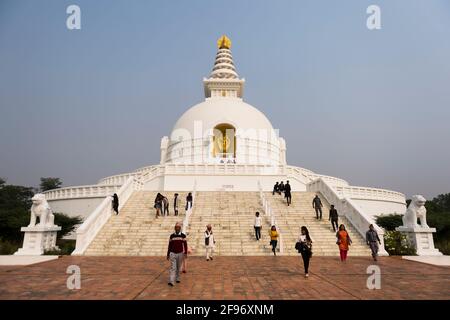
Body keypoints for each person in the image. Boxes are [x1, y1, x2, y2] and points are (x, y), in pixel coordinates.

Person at [167, 222, 188, 286]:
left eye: (178, 227)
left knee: (178, 267)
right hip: (173, 253)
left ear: (180, 228)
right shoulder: (172, 236)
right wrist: (168, 254)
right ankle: (171, 281)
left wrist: (185, 253)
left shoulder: (183, 236)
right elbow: (169, 245)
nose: (177, 228)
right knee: (173, 267)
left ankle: (177, 278)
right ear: (174, 228)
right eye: (176, 227)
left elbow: (185, 245)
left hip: (180, 253)